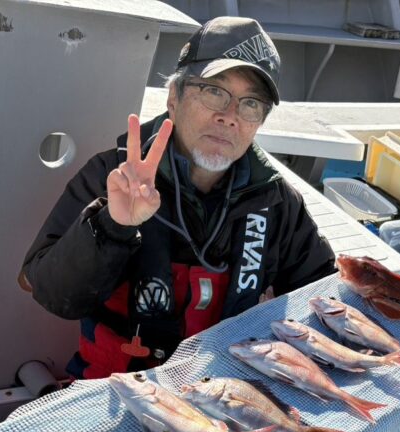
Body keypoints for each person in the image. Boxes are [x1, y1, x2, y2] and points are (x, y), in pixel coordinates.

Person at [19, 17, 336, 380]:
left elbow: (323, 295)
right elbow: (52, 293)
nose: (229, 116)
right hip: (122, 386)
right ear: (174, 97)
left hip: (228, 386)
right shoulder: (113, 175)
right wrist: (112, 225)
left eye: (251, 104)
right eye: (214, 91)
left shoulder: (278, 201)